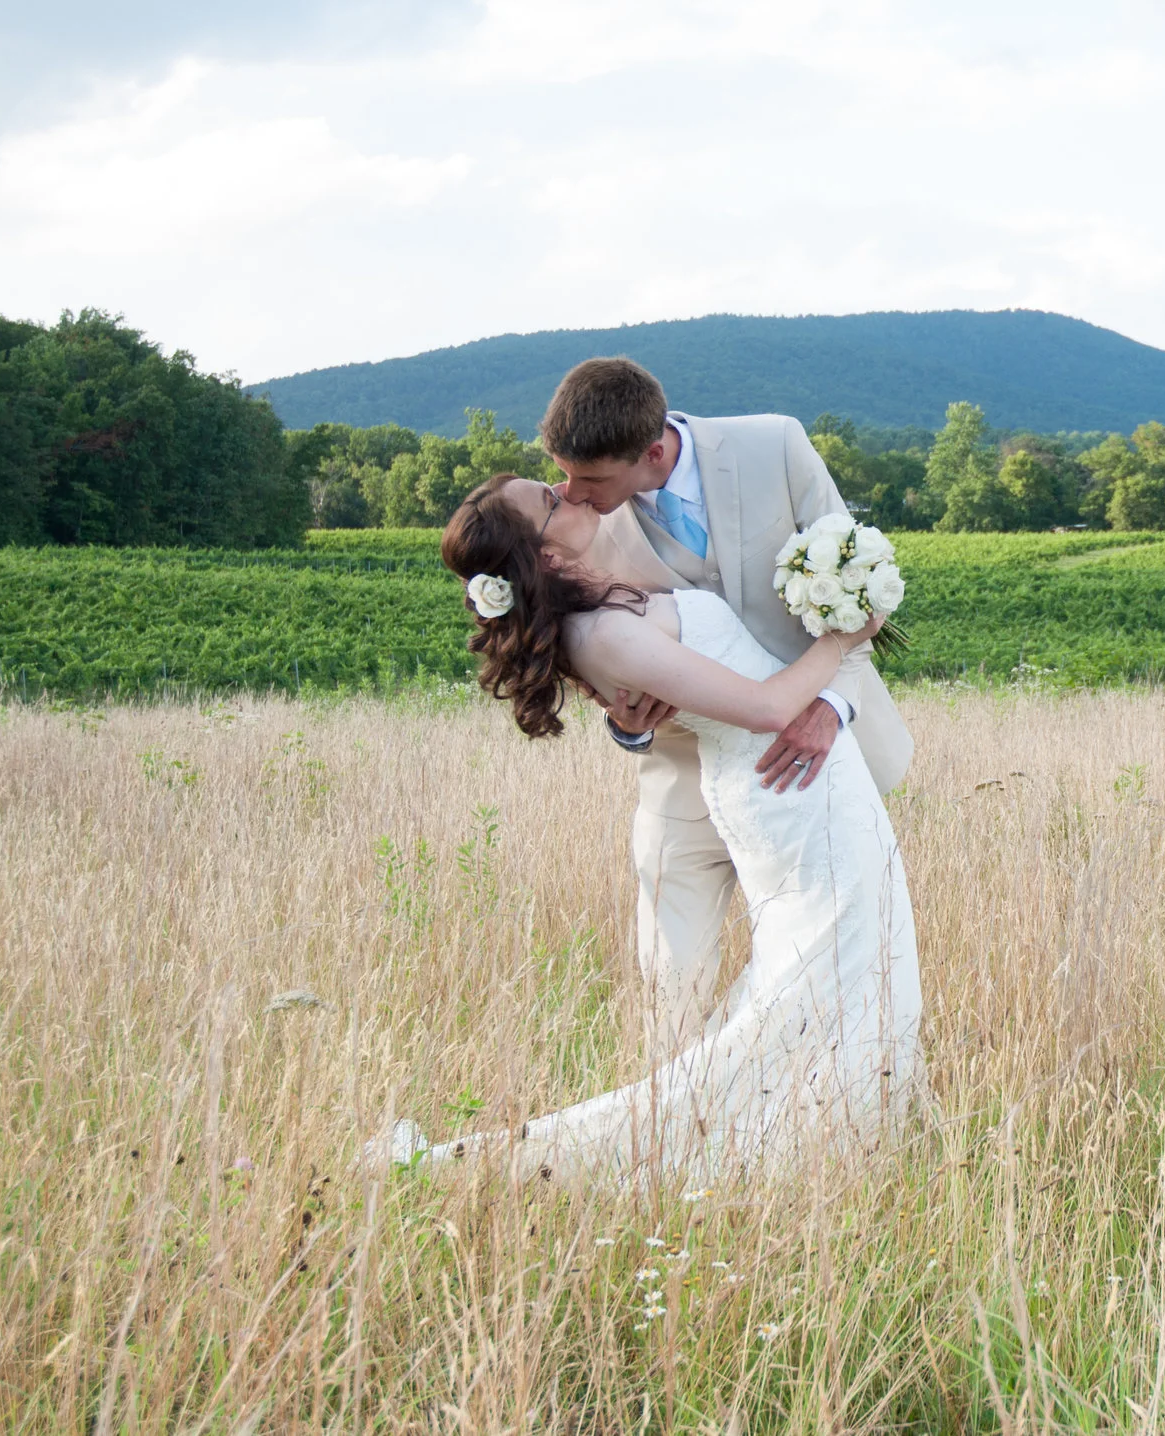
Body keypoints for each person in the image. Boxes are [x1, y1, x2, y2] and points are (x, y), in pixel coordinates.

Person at [372, 474, 924, 1181]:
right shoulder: (596, 632)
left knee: (838, 973)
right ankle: (700, 1147)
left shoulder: (593, 601)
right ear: (539, 555)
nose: (563, 490)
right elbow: (764, 708)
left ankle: (845, 1133)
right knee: (827, 973)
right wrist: (849, 635)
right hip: (787, 783)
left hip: (800, 783)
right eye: (547, 500)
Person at [535, 357, 916, 1058]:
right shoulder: (575, 534)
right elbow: (594, 657)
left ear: (652, 454)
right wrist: (624, 728)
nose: (572, 494)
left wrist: (831, 705)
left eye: (590, 480)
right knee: (668, 993)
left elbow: (865, 591)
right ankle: (665, 1136)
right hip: (684, 782)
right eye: (562, 475)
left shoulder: (775, 444)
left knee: (840, 969)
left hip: (818, 767)